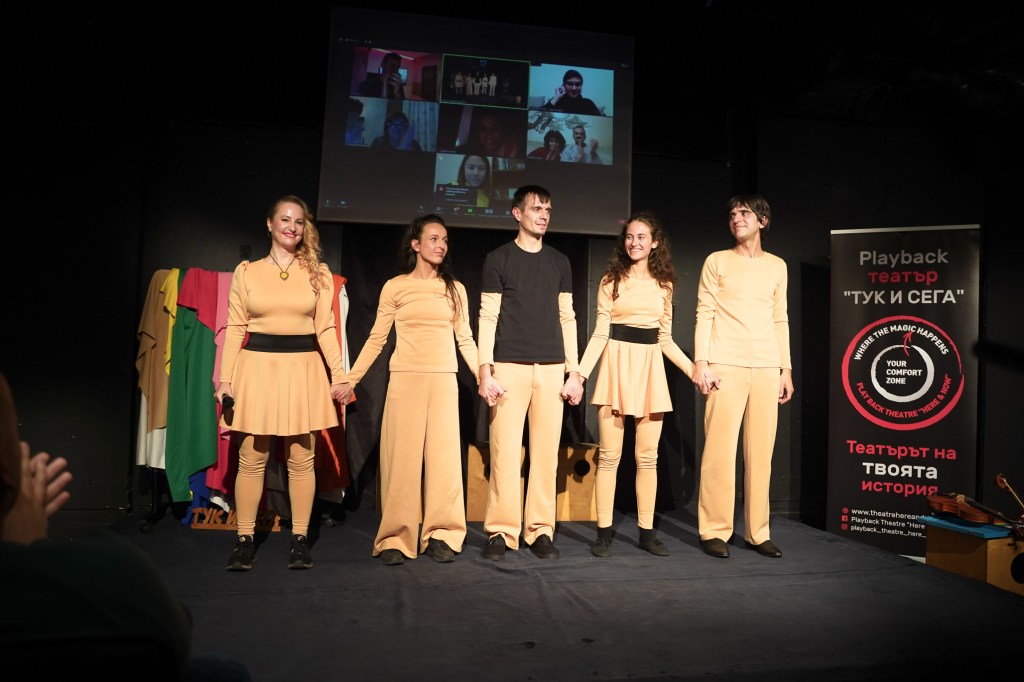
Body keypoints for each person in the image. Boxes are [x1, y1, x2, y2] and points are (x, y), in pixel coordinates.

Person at [0, 371, 251, 680]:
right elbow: (174, 638)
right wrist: (27, 548)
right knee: (222, 671)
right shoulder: (107, 568)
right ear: (9, 470)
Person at [337, 215, 479, 566]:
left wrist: (483, 376)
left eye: (445, 240)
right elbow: (376, 338)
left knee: (444, 462)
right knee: (401, 462)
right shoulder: (396, 287)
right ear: (416, 245)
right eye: (434, 239)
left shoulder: (454, 289)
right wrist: (350, 379)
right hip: (405, 380)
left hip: (443, 381)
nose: (441, 246)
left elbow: (465, 338)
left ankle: (442, 534)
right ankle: (395, 538)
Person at [215, 195, 347, 572]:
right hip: (256, 367)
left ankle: (300, 540)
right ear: (270, 224)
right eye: (285, 219)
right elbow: (236, 327)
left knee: (302, 459)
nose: (292, 227)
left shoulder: (318, 273)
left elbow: (325, 328)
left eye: (299, 221)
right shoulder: (248, 272)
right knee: (251, 458)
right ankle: (244, 540)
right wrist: (225, 380)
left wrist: (339, 375)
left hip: (303, 368)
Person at [578, 211, 706, 557]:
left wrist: (694, 370)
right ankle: (603, 534)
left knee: (647, 458)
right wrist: (580, 374)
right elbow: (600, 333)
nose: (634, 242)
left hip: (649, 372)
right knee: (609, 457)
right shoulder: (611, 281)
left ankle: (647, 534)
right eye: (629, 236)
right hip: (616, 369)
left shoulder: (665, 285)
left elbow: (665, 339)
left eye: (641, 237)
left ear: (655, 243)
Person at [477, 184, 584, 561]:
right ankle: (501, 531)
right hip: (509, 367)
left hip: (552, 369)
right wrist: (485, 370)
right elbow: (487, 317)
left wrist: (575, 372)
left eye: (548, 210)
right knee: (504, 454)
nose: (543, 216)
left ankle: (540, 529)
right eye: (536, 209)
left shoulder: (559, 261)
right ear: (517, 214)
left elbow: (568, 318)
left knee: (545, 455)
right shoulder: (498, 259)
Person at [694, 193, 794, 560]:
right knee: (719, 453)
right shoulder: (716, 261)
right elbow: (704, 313)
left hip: (766, 367)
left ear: (763, 222)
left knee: (761, 455)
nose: (737, 218)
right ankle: (714, 530)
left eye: (745, 213)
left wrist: (786, 368)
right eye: (733, 213)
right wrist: (701, 362)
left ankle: (757, 532)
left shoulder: (777, 266)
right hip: (725, 365)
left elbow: (780, 318)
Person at [456, 110, 520, 158]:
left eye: (494, 129)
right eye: (483, 129)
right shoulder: (464, 152)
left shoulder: (513, 153)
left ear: (502, 131)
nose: (488, 135)